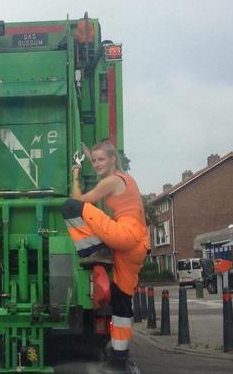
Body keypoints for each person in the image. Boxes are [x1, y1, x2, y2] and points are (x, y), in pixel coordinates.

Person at [62, 140, 148, 371]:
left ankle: (94, 250)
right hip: (136, 245)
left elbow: (79, 201)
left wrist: (75, 175)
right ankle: (120, 357)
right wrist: (89, 156)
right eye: (95, 160)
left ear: (113, 160)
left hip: (124, 234)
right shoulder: (124, 179)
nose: (97, 164)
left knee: (70, 207)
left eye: (102, 160)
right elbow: (100, 165)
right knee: (121, 302)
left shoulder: (112, 181)